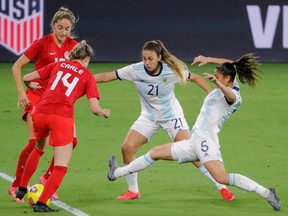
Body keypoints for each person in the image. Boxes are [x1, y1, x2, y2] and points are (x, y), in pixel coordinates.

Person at [107, 53, 281, 211]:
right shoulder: (230, 78)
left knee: (221, 177)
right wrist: (209, 60)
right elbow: (230, 63)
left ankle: (267, 193)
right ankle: (116, 172)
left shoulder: (234, 96)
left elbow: (230, 96)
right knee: (154, 153)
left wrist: (216, 83)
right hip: (193, 142)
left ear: (227, 79)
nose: (216, 78)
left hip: (206, 141)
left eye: (219, 76)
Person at [94, 40, 234, 201]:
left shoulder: (171, 70)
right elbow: (107, 76)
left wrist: (211, 94)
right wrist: (83, 79)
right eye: (144, 58)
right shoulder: (135, 70)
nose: (146, 62)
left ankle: (221, 187)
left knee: (195, 154)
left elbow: (195, 78)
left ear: (159, 57)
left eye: (150, 58)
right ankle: (133, 190)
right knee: (127, 148)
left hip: (172, 117)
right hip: (149, 117)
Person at [15, 40, 110, 212]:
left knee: (38, 147)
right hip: (61, 118)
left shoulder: (58, 65)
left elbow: (26, 77)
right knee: (61, 165)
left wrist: (30, 85)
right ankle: (42, 203)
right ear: (87, 58)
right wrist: (104, 112)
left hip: (40, 113)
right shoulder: (87, 76)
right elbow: (95, 108)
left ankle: (22, 188)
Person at [10, 7, 78, 202]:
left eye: (67, 28)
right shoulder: (42, 43)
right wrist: (22, 91)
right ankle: (16, 185)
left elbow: (79, 72)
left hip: (57, 101)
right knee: (36, 144)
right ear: (52, 25)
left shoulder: (74, 47)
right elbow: (17, 66)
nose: (63, 32)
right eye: (59, 28)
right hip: (37, 97)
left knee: (71, 141)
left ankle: (47, 178)